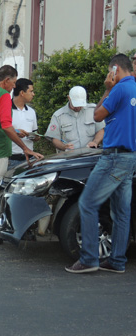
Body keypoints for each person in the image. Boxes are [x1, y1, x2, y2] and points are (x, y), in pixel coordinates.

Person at [65, 54, 136, 274]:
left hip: (114, 157)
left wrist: (107, 88)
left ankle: (88, 258)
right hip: (130, 156)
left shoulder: (120, 89)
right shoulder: (133, 87)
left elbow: (96, 115)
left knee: (87, 203)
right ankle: (116, 261)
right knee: (121, 212)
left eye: (110, 72)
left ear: (114, 70)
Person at [0, 65, 44, 245]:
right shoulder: (3, 95)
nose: (13, 88)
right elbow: (5, 125)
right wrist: (26, 148)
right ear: (6, 81)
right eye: (13, 83)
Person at [45, 86, 105, 152]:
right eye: (76, 105)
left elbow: (100, 130)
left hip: (91, 155)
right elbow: (55, 138)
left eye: (80, 105)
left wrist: (95, 142)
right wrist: (63, 147)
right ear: (69, 98)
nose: (78, 107)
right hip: (69, 158)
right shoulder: (58, 116)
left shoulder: (93, 110)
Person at [8, 78, 40, 169]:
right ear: (22, 93)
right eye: (31, 91)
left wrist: (35, 136)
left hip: (30, 159)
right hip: (11, 159)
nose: (33, 94)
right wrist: (15, 132)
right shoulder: (6, 109)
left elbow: (35, 133)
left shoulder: (31, 112)